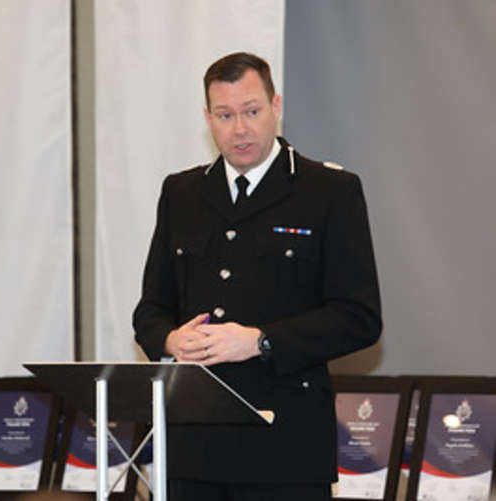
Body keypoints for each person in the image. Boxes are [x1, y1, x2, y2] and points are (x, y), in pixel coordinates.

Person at [133, 52, 382, 500]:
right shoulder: (182, 192)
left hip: (284, 447)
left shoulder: (329, 191)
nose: (240, 129)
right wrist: (170, 340)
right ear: (207, 118)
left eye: (252, 111)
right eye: (225, 115)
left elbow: (358, 317)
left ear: (276, 106)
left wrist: (261, 340)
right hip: (193, 447)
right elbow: (151, 310)